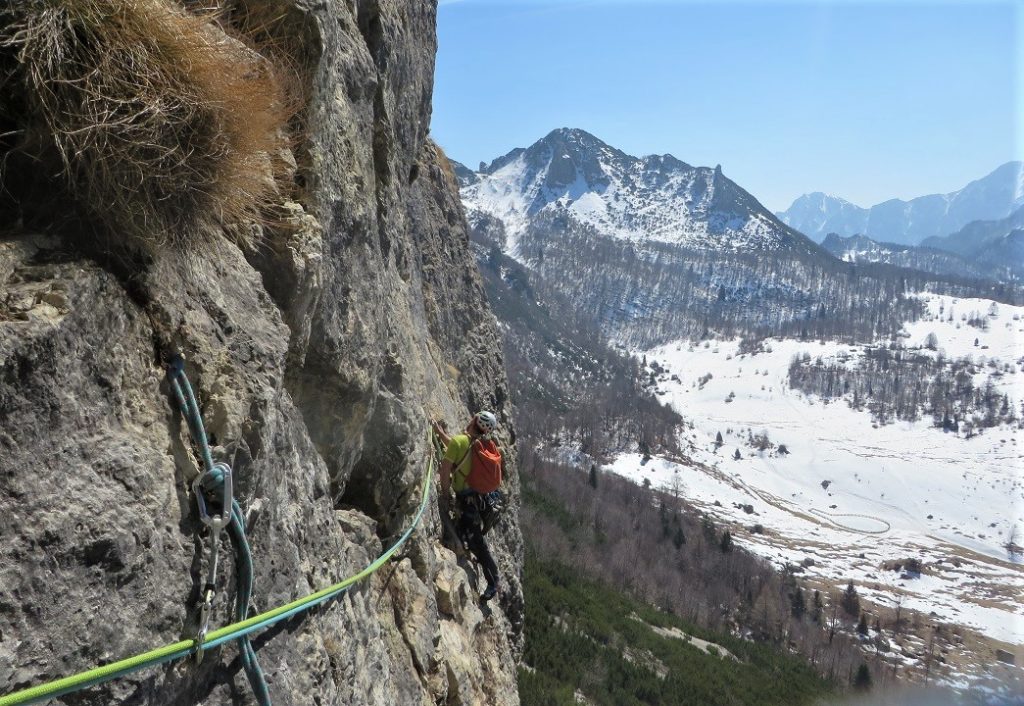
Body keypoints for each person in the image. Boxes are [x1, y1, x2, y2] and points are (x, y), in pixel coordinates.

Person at [432, 411, 503, 602]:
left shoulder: (461, 442)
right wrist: (440, 434)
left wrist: (446, 495)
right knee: (466, 536)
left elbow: (446, 469)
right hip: (477, 498)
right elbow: (457, 449)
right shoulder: (478, 445)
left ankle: (493, 581)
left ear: (473, 421)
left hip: (467, 501)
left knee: (476, 543)